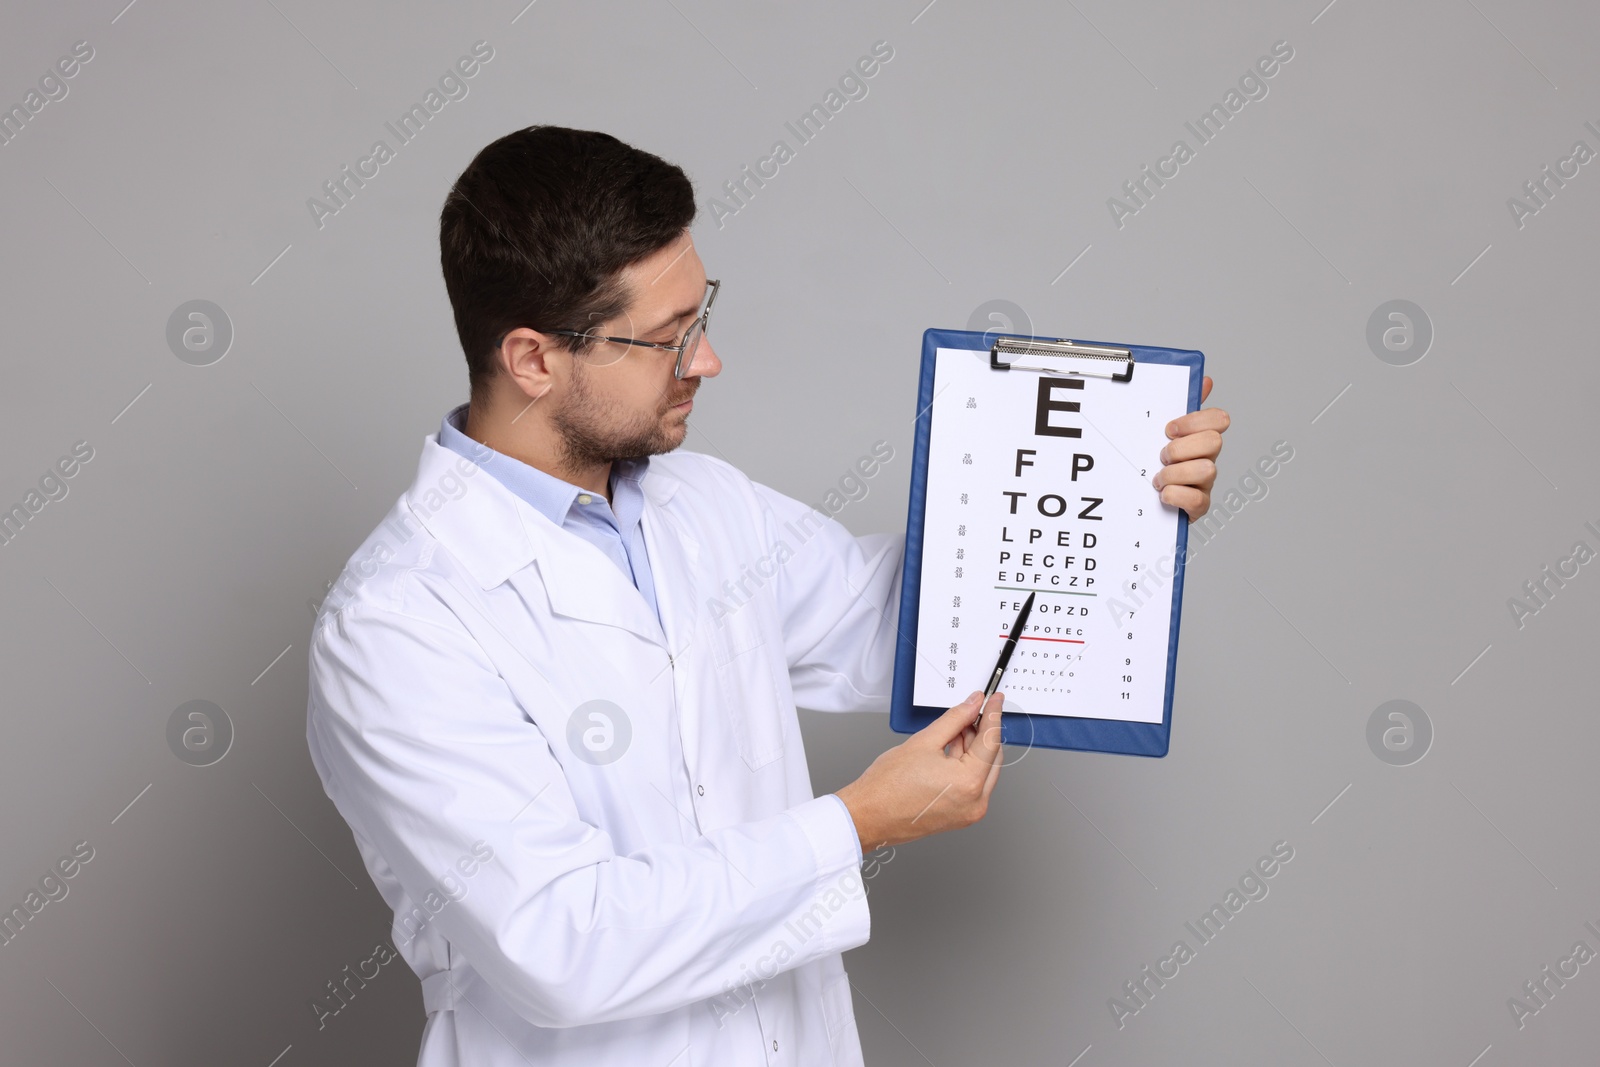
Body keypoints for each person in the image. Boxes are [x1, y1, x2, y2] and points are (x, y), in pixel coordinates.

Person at [305, 125, 1229, 1067]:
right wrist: (856, 822)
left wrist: (1115, 488)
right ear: (534, 360)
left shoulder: (704, 505)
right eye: (668, 340)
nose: (706, 362)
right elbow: (562, 944)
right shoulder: (397, 623)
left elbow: (914, 630)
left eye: (697, 316)